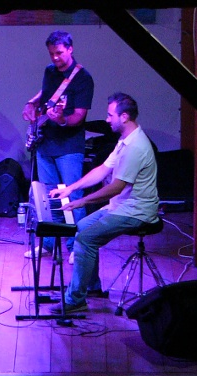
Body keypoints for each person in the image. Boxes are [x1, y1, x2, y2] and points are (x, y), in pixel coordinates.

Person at [48, 92, 159, 314]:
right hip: (122, 206)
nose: (107, 120)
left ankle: (75, 300)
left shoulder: (136, 146)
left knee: (86, 238)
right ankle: (91, 287)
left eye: (110, 115)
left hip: (136, 212)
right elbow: (102, 170)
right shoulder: (125, 141)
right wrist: (71, 189)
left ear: (124, 117)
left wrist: (82, 202)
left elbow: (116, 187)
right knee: (82, 228)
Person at [22, 30, 94, 262]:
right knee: (48, 198)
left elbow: (79, 117)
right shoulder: (50, 71)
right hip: (46, 143)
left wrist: (62, 119)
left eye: (60, 53)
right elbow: (46, 94)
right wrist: (31, 103)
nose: (55, 58)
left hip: (69, 146)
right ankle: (48, 244)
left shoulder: (83, 79)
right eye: (52, 53)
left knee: (73, 197)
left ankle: (76, 247)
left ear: (70, 49)